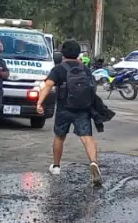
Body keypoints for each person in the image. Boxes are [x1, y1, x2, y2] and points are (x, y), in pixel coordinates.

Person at [36, 39, 102, 185]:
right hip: (83, 109)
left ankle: (57, 166)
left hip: (64, 108)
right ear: (78, 53)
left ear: (62, 53)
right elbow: (92, 88)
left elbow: (47, 86)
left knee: (60, 136)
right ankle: (93, 162)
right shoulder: (85, 69)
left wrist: (40, 103)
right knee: (87, 137)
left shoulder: (59, 69)